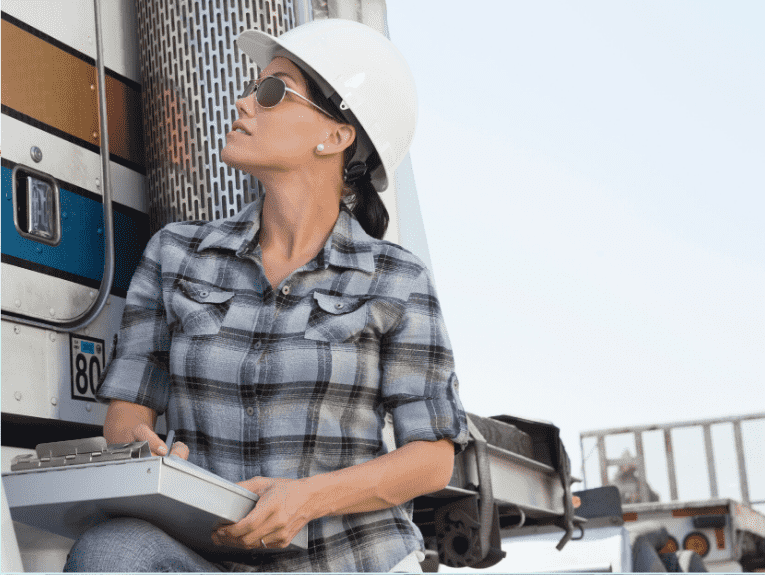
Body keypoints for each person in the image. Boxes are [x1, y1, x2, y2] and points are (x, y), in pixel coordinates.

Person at [64, 18, 469, 573]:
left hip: (350, 558)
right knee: (109, 552)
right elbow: (127, 413)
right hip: (212, 555)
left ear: (336, 136)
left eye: (272, 91)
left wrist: (307, 499)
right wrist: (144, 449)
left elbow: (430, 460)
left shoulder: (396, 278)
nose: (244, 101)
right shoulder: (176, 254)